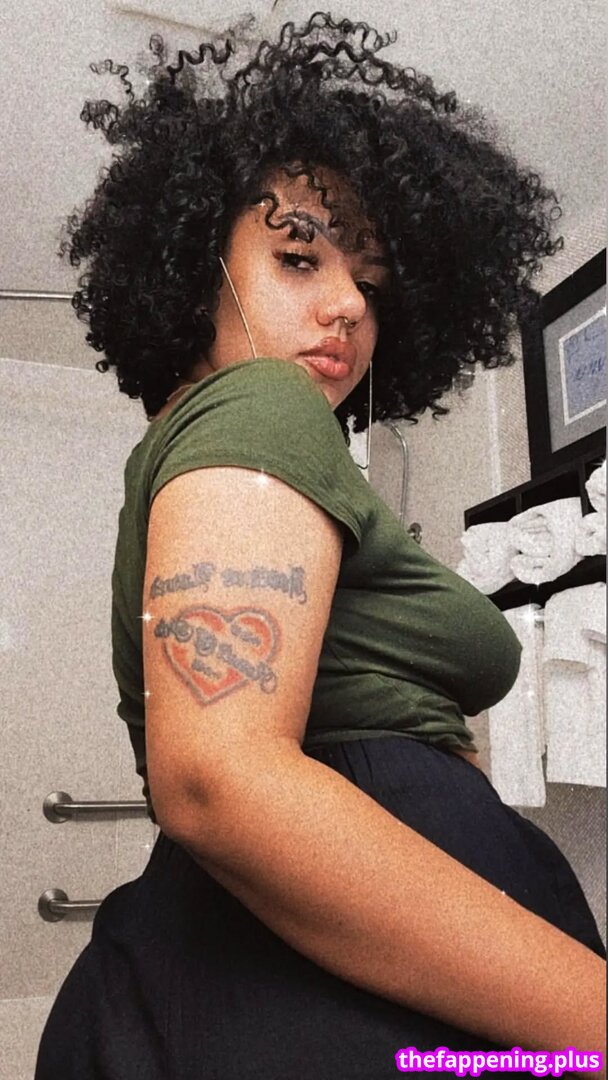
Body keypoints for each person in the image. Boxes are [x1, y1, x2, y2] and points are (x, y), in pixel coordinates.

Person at [36, 13, 605, 1078]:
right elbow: (220, 778)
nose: (345, 303)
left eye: (370, 284)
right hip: (322, 990)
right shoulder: (262, 403)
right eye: (297, 256)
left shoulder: (203, 445)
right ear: (195, 271)